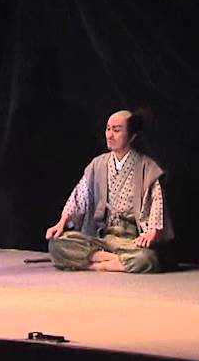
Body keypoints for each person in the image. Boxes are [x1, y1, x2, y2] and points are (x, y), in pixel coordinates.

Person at [46, 109, 173, 273]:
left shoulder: (146, 167)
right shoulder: (98, 164)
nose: (110, 135)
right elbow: (79, 197)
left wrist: (152, 232)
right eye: (108, 129)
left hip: (131, 241)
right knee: (57, 244)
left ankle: (98, 264)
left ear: (132, 136)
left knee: (147, 258)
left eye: (117, 130)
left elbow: (157, 202)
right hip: (103, 238)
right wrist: (62, 222)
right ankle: (115, 262)